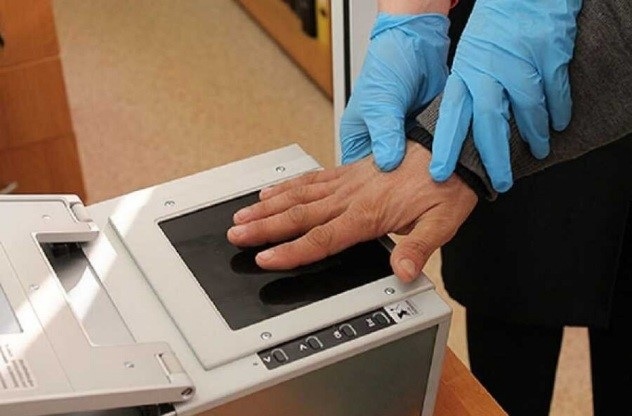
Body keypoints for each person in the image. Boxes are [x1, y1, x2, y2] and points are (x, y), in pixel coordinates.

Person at [227, 0, 632, 414]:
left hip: (548, 63)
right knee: (508, 346)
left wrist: (459, 149)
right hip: (487, 49)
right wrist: (412, 13)